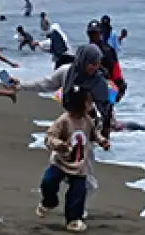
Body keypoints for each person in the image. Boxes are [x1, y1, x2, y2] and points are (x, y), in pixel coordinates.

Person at [38, 87, 108, 232]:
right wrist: (60, 145)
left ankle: (73, 219)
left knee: (78, 193)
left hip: (80, 164)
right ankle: (49, 202)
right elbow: (50, 137)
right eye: (89, 103)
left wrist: (102, 141)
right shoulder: (64, 120)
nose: (91, 106)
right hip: (61, 161)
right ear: (79, 104)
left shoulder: (87, 120)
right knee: (48, 182)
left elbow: (94, 134)